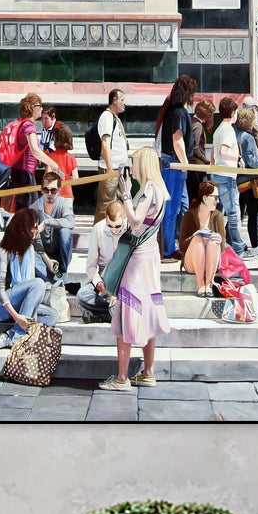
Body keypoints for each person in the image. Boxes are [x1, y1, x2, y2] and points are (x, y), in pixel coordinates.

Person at [102, 147, 170, 390]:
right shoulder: (160, 190)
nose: (133, 166)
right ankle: (148, 371)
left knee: (128, 313)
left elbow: (135, 220)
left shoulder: (149, 189)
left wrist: (126, 195)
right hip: (150, 257)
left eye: (135, 161)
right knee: (148, 313)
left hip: (138, 260)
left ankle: (122, 378)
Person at [0, 206, 58, 349]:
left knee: (52, 316)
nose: (36, 230)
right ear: (24, 229)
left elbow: (30, 288)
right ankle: (19, 335)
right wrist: (17, 318)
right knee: (38, 283)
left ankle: (10, 335)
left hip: (20, 304)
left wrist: (33, 312)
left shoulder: (29, 251)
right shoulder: (2, 252)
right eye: (34, 226)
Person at [156, 74, 196, 258]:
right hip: (174, 163)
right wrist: (185, 164)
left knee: (177, 206)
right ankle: (168, 248)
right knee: (172, 208)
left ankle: (171, 243)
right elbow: (177, 138)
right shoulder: (179, 112)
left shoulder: (171, 110)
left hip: (170, 161)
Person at [209, 96, 251, 253]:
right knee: (234, 212)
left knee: (217, 213)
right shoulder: (228, 130)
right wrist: (238, 158)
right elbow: (223, 151)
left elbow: (214, 153)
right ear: (233, 112)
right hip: (227, 175)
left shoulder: (219, 129)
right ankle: (238, 246)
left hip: (217, 174)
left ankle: (219, 244)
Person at [2, 92, 55, 215]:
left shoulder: (21, 123)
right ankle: (22, 233)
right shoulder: (28, 126)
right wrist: (53, 164)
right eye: (40, 106)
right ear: (32, 107)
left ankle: (21, 232)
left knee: (25, 208)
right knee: (28, 209)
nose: (41, 109)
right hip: (25, 173)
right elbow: (35, 150)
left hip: (20, 171)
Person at [77, 198, 126, 321]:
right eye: (110, 225)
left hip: (125, 281)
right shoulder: (98, 229)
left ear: (124, 218)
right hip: (104, 279)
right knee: (82, 295)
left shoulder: (131, 230)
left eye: (117, 226)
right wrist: (99, 283)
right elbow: (91, 265)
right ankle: (113, 312)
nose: (113, 229)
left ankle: (101, 315)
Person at [178, 179, 222, 298]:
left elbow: (222, 248)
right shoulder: (190, 215)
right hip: (192, 261)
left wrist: (220, 240)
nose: (217, 201)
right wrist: (195, 236)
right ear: (205, 198)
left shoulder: (217, 216)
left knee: (214, 241)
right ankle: (200, 284)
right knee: (197, 239)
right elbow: (181, 246)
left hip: (211, 261)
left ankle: (209, 285)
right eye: (215, 197)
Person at [31, 168, 76, 282]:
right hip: (42, 254)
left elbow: (70, 222)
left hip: (60, 252)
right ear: (41, 190)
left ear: (59, 191)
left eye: (53, 190)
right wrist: (46, 260)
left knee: (65, 232)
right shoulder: (34, 208)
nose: (49, 194)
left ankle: (62, 271)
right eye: (46, 190)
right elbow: (34, 237)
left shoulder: (63, 203)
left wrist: (47, 222)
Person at [94, 88, 131, 220]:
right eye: (122, 100)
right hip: (111, 169)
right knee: (105, 204)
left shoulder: (115, 118)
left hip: (120, 169)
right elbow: (105, 142)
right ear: (114, 101)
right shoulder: (107, 117)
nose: (124, 103)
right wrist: (109, 168)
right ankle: (99, 233)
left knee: (121, 202)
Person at [235, 104, 258, 251]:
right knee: (254, 213)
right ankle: (255, 242)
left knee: (239, 212)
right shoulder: (248, 137)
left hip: (239, 179)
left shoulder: (236, 134)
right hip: (250, 179)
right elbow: (252, 159)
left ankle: (232, 238)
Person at [46, 121, 78, 205]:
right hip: (68, 194)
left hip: (54, 193)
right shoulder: (72, 158)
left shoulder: (51, 157)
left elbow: (47, 176)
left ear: (55, 139)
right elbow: (76, 179)